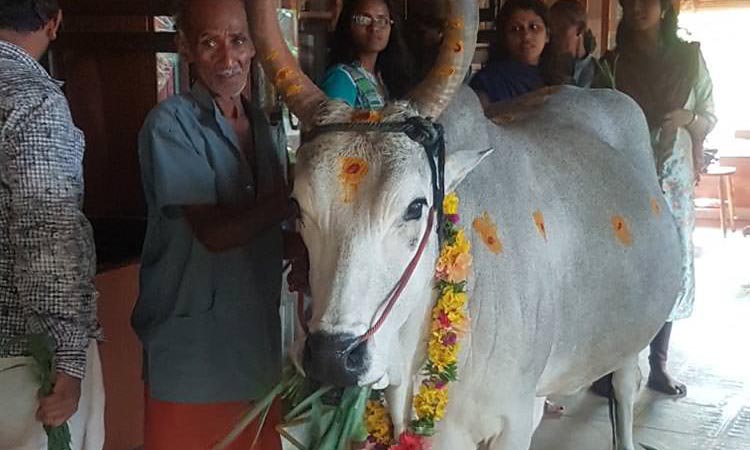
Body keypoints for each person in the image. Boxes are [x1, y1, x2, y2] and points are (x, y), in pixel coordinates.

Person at [131, 0, 291, 448]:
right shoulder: (170, 124)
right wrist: (291, 198)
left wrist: (306, 247)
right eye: (210, 43)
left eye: (239, 40)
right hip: (194, 355)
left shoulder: (261, 125)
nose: (228, 58)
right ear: (185, 47)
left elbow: (269, 235)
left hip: (256, 351)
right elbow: (214, 234)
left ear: (255, 47)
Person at [594, 0, 716, 397]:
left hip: (674, 170)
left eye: (647, 1)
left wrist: (687, 119)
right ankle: (611, 365)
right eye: (630, 2)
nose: (637, 8)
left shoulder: (689, 58)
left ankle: (658, 362)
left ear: (665, 9)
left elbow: (709, 114)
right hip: (625, 169)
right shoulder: (613, 61)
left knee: (670, 257)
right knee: (624, 261)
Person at [0, 1, 105, 449]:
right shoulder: (32, 100)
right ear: (54, 21)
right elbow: (47, 231)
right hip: (23, 362)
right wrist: (68, 359)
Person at [321, 0, 415, 108]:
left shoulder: (383, 77)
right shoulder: (341, 77)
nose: (374, 27)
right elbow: (333, 124)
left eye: (382, 20)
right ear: (348, 25)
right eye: (363, 19)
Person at [470, 0, 552, 108]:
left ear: (547, 36)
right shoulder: (489, 82)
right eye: (516, 29)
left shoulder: (558, 79)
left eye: (534, 27)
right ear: (503, 37)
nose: (526, 36)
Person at [548, 0, 597, 87]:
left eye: (561, 29)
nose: (555, 36)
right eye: (552, 30)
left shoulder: (597, 71)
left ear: (580, 29)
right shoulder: (545, 66)